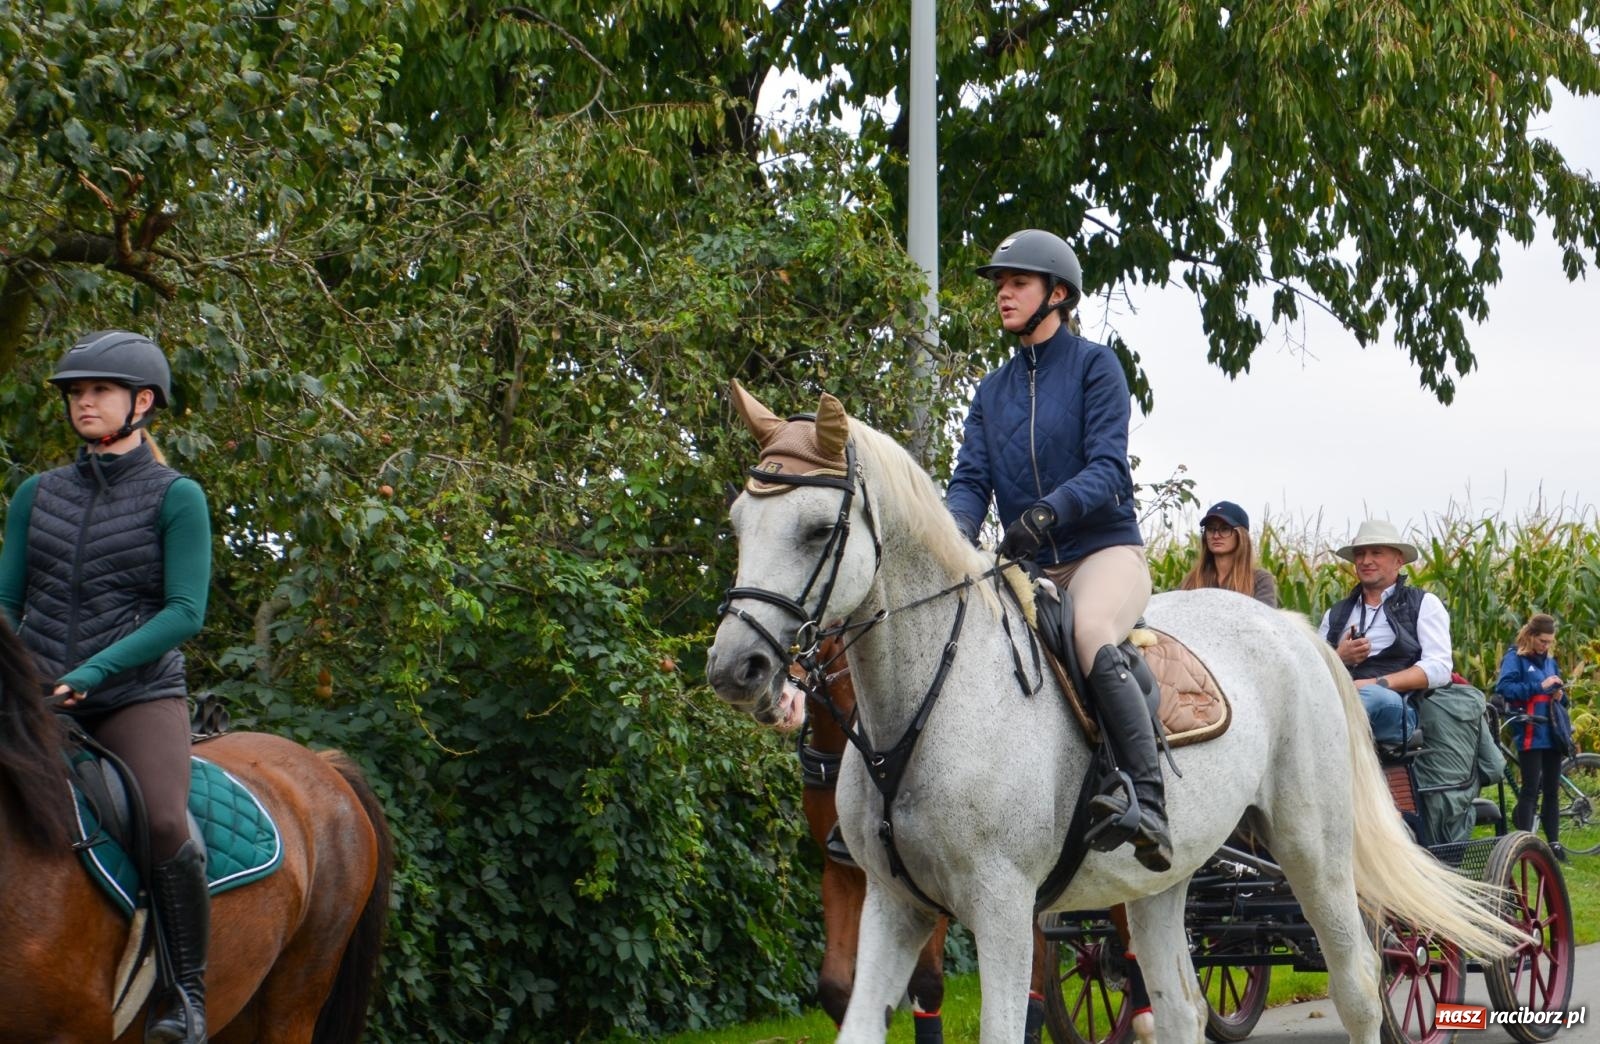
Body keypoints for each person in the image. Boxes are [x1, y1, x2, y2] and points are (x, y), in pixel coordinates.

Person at [0, 330, 212, 1042]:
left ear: (142, 402)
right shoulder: (38, 494)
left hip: (134, 697)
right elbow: (8, 601)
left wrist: (92, 674)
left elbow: (186, 610)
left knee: (161, 822)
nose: (83, 402)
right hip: (34, 693)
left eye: (98, 391)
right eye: (75, 393)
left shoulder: (177, 497)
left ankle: (186, 996)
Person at [944, 228, 1168, 874]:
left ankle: (1148, 800)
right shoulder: (991, 394)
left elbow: (1108, 472)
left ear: (1058, 293)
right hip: (1030, 568)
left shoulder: (1098, 367)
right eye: (1000, 286)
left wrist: (1047, 512)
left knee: (1093, 631)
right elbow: (970, 483)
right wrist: (951, 535)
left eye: (1016, 283)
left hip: (1103, 553)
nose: (1003, 295)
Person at [1318, 520, 1451, 749]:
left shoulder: (1423, 604)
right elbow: (1310, 668)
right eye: (1360, 554)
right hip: (1338, 699)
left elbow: (1439, 669)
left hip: (1397, 706)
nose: (1365, 560)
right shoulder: (1336, 614)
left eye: (1376, 553)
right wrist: (1339, 656)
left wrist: (1376, 684)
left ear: (1398, 561)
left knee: (1372, 697)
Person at [1495, 613, 1569, 859]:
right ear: (1531, 635)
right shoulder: (1515, 658)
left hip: (1552, 731)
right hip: (1530, 731)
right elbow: (1504, 688)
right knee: (1530, 789)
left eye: (1549, 642)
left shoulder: (1550, 661)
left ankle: (1555, 844)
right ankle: (1523, 845)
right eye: (1542, 641)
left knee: (1551, 790)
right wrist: (1540, 686)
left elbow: (1559, 695)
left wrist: (1560, 695)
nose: (1546, 646)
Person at [1179, 500, 1277, 607]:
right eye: (1210, 529)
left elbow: (1264, 620)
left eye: (1225, 529)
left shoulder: (1259, 580)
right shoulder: (1192, 580)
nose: (1216, 535)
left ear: (1241, 535)